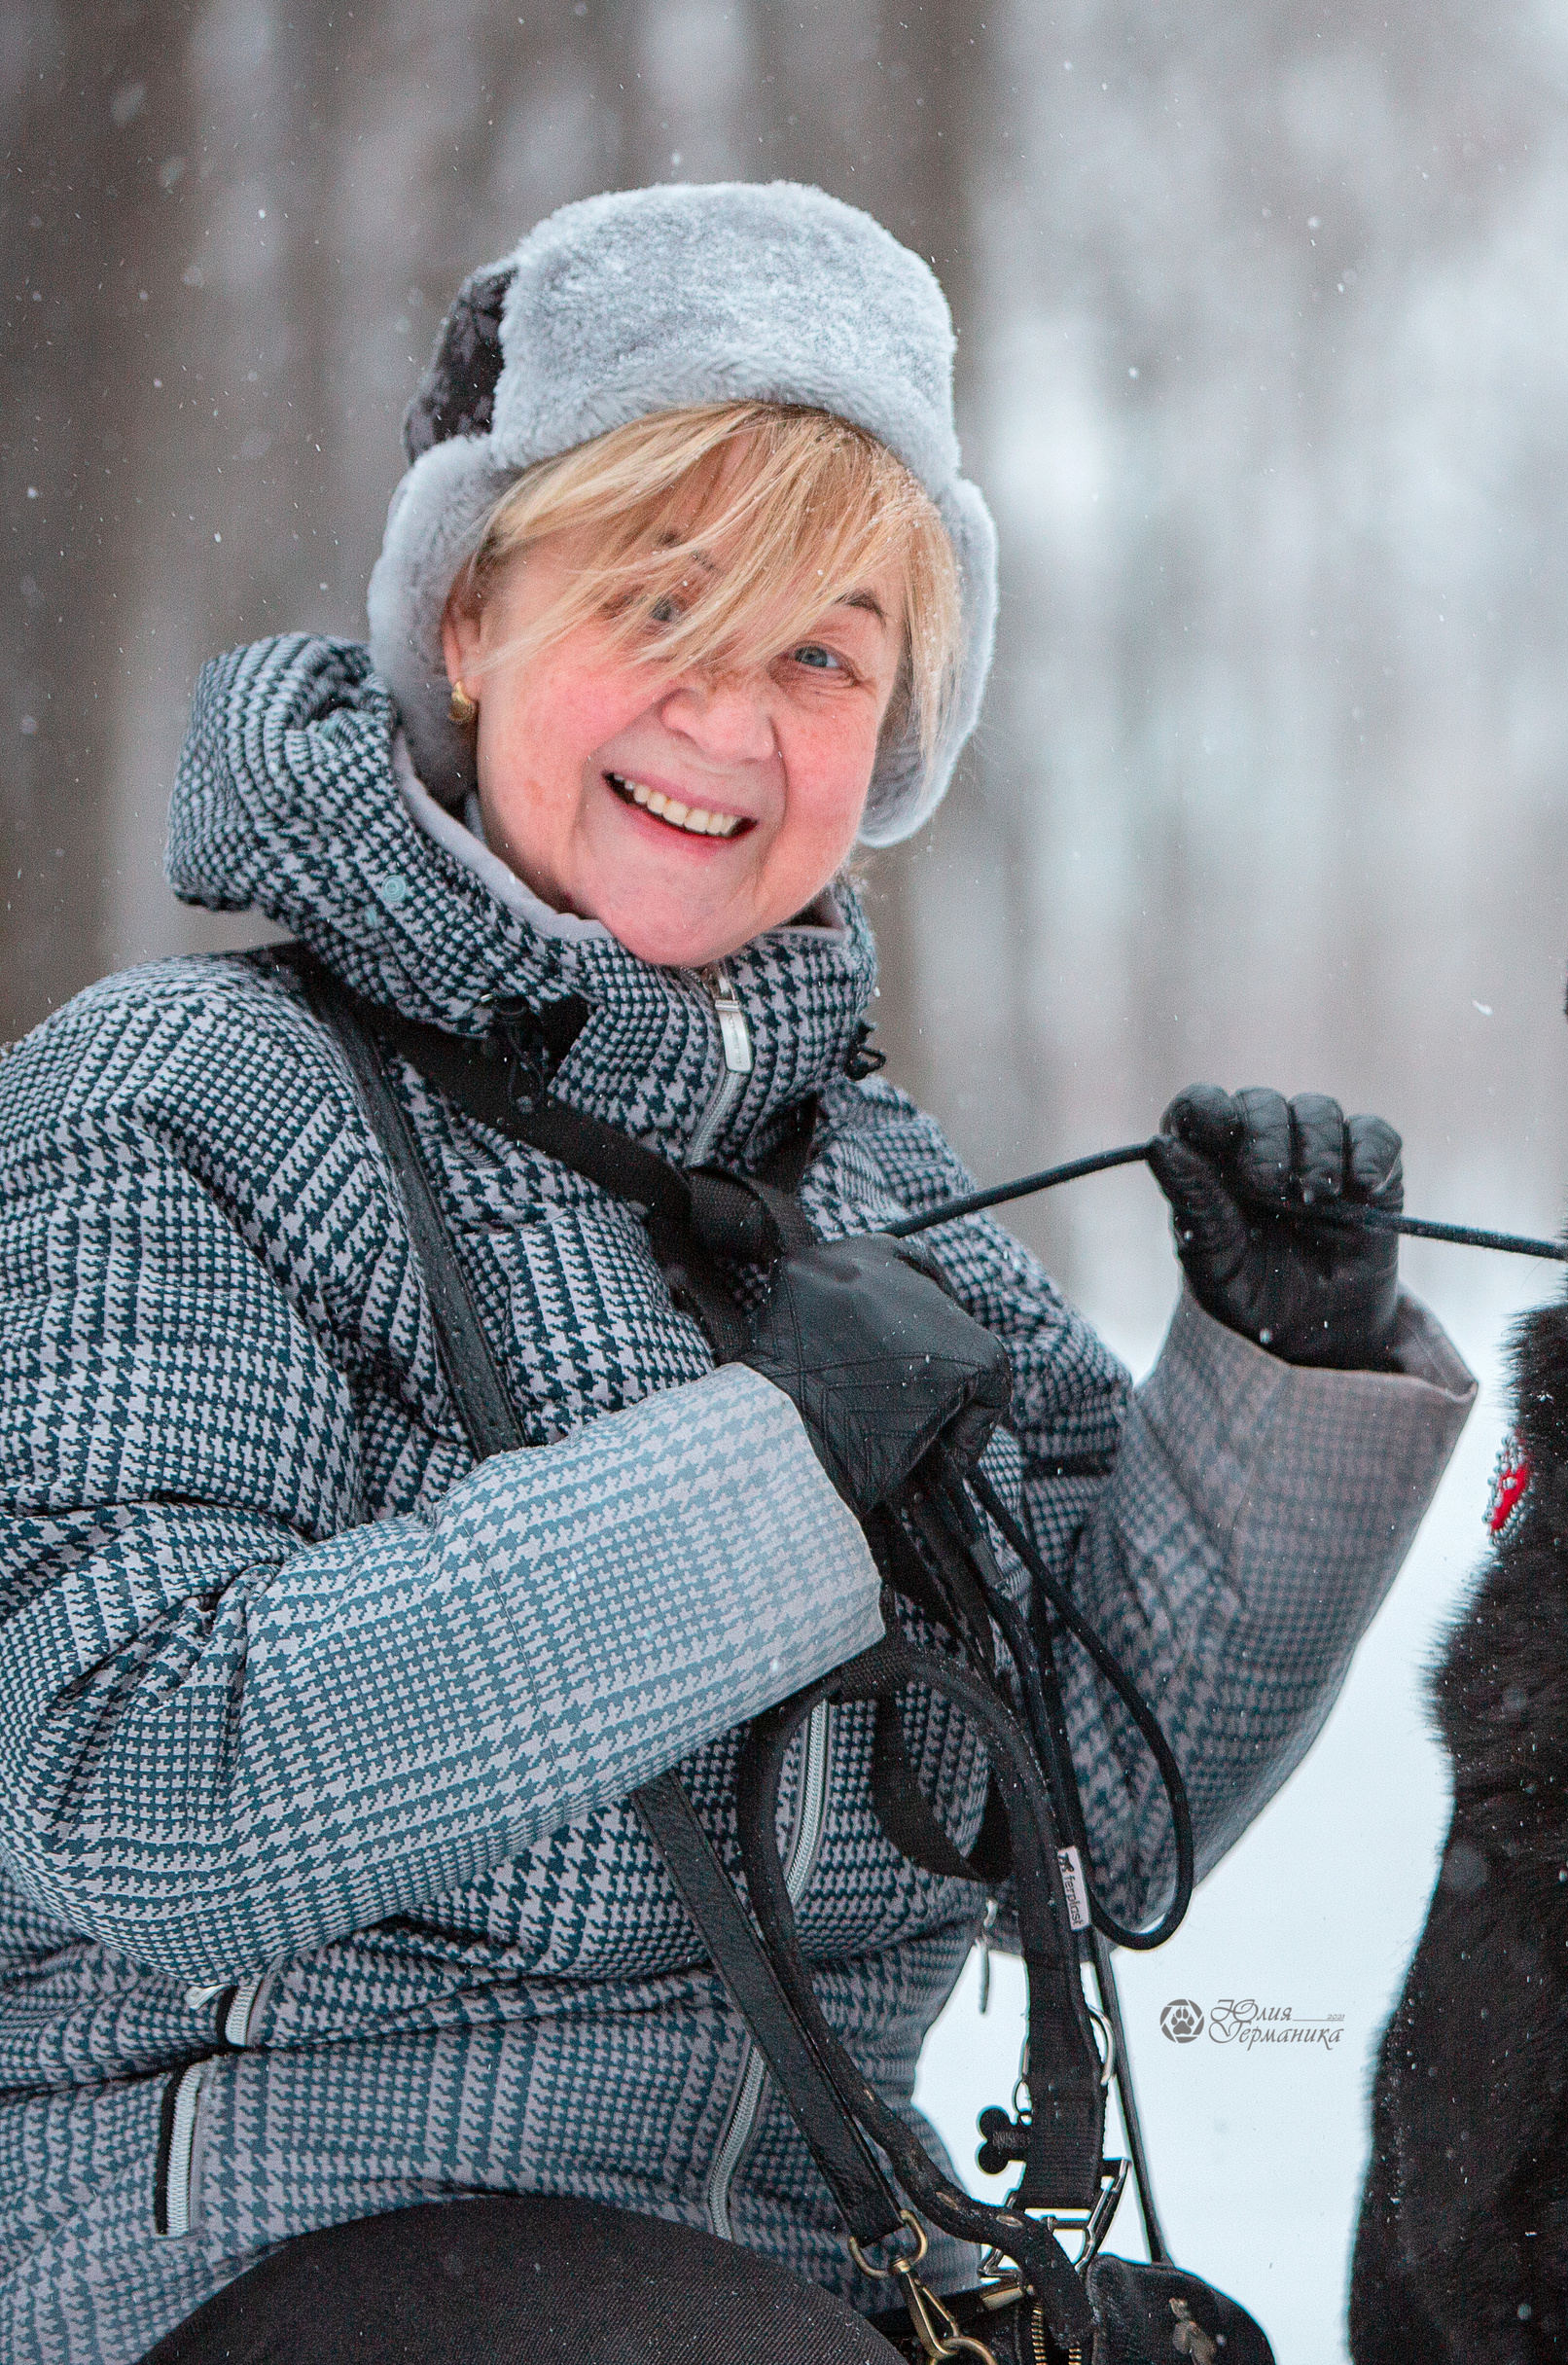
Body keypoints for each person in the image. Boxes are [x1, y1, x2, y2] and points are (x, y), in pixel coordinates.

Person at [0, 182, 1476, 2364]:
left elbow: (1078, 1826)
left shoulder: (867, 1176)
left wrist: (1277, 1371)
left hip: (793, 2253)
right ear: (475, 616)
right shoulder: (181, 1100)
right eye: (658, 600)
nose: (727, 717)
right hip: (248, 2249)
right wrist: (761, 1476)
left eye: (817, 653)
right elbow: (137, 1785)